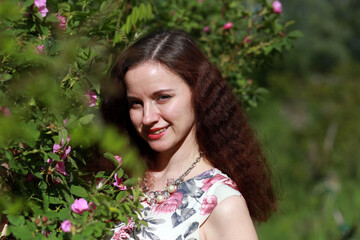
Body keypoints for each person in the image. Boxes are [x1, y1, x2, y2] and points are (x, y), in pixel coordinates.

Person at [101, 30, 276, 240]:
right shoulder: (114, 177)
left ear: (198, 92)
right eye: (136, 103)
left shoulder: (221, 204)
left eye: (162, 97)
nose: (147, 117)